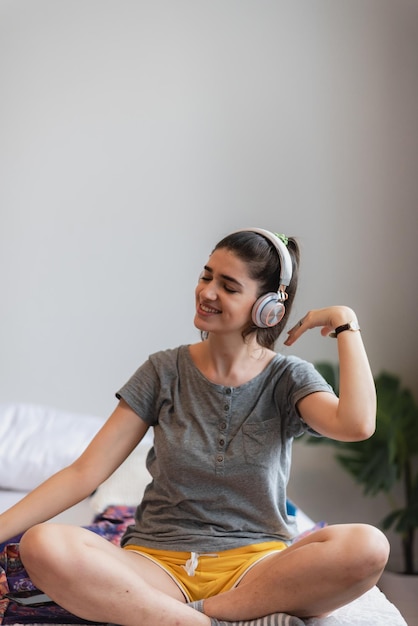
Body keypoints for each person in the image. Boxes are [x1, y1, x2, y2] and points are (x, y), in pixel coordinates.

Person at [0, 228, 389, 626]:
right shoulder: (162, 370)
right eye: (206, 276)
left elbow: (356, 425)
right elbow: (84, 473)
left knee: (368, 546)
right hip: (156, 564)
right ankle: (196, 621)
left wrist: (346, 325)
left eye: (229, 286)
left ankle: (197, 615)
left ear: (269, 306)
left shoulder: (288, 378)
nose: (207, 292)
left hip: (256, 568)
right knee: (43, 543)